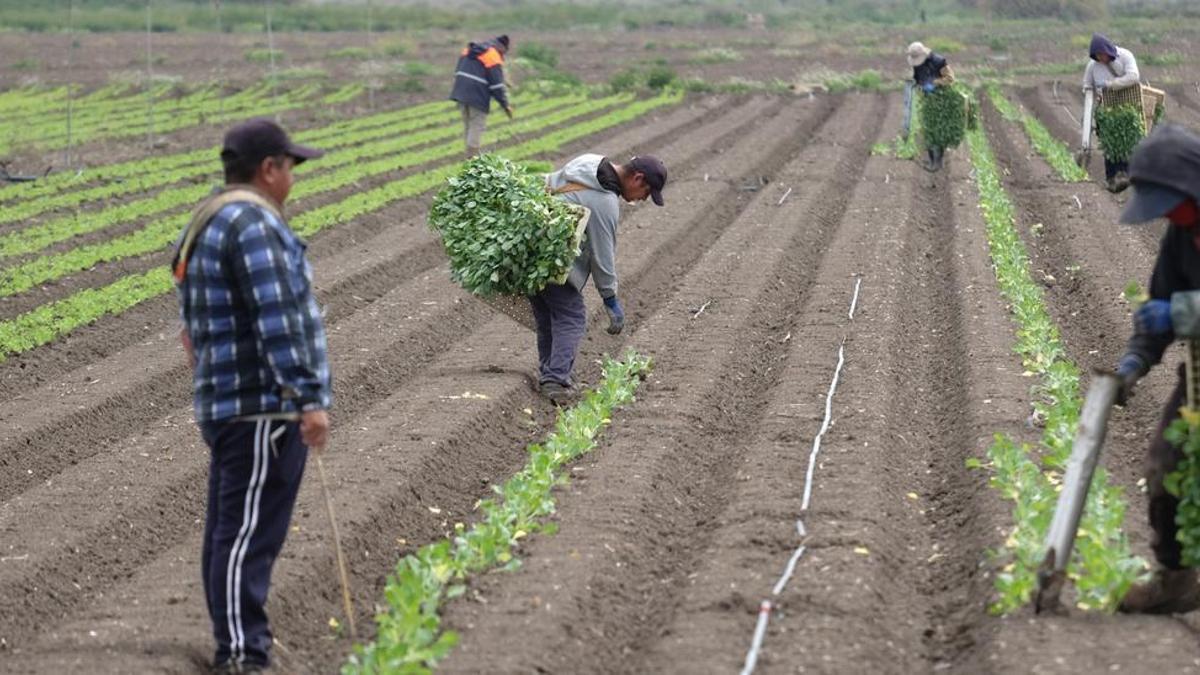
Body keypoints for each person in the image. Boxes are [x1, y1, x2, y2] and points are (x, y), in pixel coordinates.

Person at [172, 118, 332, 672]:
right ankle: (243, 651)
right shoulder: (255, 223)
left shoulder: (208, 217)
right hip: (262, 404)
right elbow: (279, 319)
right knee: (248, 534)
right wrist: (308, 398)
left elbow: (189, 325)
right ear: (269, 169)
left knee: (229, 527)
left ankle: (237, 641)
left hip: (226, 399)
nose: (292, 179)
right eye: (290, 167)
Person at [1112, 124, 1200, 614]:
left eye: (1170, 202)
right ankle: (1177, 577)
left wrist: (1184, 314)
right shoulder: (1181, 238)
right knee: (1166, 467)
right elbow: (1160, 305)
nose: (1166, 213)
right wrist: (1133, 363)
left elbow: (1176, 309)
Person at [532, 154, 667, 404]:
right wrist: (610, 298)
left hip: (532, 254)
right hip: (555, 263)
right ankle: (555, 380)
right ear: (637, 178)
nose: (642, 199)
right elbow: (602, 257)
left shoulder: (588, 162)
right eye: (646, 192)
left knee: (548, 316)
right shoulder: (604, 202)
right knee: (571, 318)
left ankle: (548, 372)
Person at [1083, 32, 1142, 193]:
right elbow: (1087, 87)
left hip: (1127, 107)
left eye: (1102, 55)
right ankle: (1112, 178)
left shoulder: (1125, 56)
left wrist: (1111, 84)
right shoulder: (1092, 66)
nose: (1101, 59)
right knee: (1109, 144)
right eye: (1097, 56)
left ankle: (1125, 174)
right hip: (1106, 110)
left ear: (1108, 50)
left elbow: (1133, 77)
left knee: (1127, 141)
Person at [449, 34, 514, 158]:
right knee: (477, 125)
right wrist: (505, 105)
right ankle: (472, 158)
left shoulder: (469, 50)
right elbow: (497, 86)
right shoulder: (493, 56)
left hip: (460, 91)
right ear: (502, 47)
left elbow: (460, 71)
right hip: (477, 95)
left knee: (468, 125)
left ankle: (469, 157)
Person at [906, 41, 956, 172]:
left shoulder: (939, 61)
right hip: (927, 99)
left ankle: (938, 161)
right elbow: (918, 79)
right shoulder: (917, 66)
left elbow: (950, 78)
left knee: (939, 130)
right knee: (927, 130)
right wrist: (917, 85)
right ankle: (932, 161)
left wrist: (935, 83)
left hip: (942, 98)